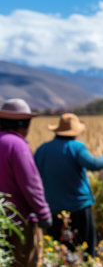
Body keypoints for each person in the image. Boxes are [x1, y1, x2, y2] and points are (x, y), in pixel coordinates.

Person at [34, 113, 103, 257]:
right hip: (78, 207)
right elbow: (94, 164)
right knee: (84, 249)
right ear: (75, 132)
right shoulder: (76, 147)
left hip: (52, 209)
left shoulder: (42, 149)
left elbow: (34, 175)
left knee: (59, 250)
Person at [0, 98, 52, 266]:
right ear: (24, 124)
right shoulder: (17, 146)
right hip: (17, 220)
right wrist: (43, 213)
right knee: (23, 261)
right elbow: (31, 185)